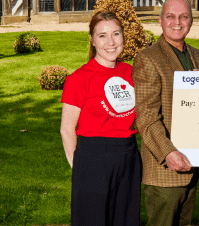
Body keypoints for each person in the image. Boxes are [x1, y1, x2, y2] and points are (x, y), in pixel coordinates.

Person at [60, 11, 140, 226]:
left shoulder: (132, 73)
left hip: (129, 155)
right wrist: (79, 167)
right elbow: (67, 129)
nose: (111, 42)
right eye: (102, 35)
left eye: (116, 34)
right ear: (92, 40)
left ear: (124, 37)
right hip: (93, 157)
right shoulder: (79, 78)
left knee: (126, 219)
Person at [133, 0, 199, 226]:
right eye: (171, 16)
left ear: (191, 21)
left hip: (192, 164)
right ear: (160, 21)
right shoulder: (148, 58)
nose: (178, 22)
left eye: (184, 16)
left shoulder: (196, 55)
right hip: (164, 168)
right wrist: (169, 153)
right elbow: (146, 116)